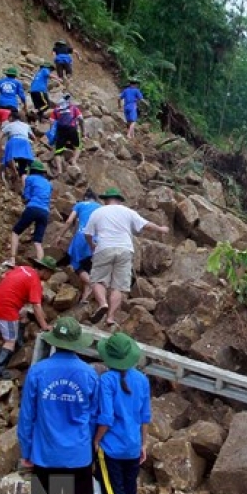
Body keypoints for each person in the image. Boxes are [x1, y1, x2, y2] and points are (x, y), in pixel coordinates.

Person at [17, 317, 98, 494]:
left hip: (45, 451)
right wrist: (90, 446)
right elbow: (94, 416)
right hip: (77, 452)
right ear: (77, 343)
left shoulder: (38, 371)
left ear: (54, 342)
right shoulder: (88, 374)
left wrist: (26, 450)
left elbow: (27, 415)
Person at [93, 333, 150, 494]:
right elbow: (145, 416)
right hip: (133, 446)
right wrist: (144, 443)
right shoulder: (142, 380)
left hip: (111, 448)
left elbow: (106, 417)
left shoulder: (106, 380)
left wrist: (96, 440)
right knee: (129, 493)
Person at [84, 188, 169, 327]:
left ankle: (103, 303)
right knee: (118, 286)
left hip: (104, 247)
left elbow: (87, 234)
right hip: (125, 249)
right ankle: (110, 317)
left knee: (97, 280)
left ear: (106, 200)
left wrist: (92, 245)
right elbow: (146, 225)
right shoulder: (128, 212)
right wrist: (161, 229)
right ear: (119, 200)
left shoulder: (98, 212)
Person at [0, 258, 56, 381]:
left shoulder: (24, 269)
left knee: (23, 315)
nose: (50, 277)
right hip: (5, 308)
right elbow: (36, 306)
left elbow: (5, 276)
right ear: (45, 271)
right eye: (51, 273)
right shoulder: (35, 281)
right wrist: (44, 325)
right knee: (9, 341)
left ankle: (19, 344)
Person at [4, 160, 53, 267]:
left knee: (16, 232)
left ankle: (12, 260)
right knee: (38, 242)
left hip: (33, 207)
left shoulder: (30, 178)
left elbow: (27, 196)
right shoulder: (49, 184)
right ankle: (41, 268)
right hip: (45, 212)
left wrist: (25, 199)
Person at [58, 188, 101, 304]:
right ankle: (84, 298)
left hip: (82, 236)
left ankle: (92, 284)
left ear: (85, 197)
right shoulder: (100, 207)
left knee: (76, 265)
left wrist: (59, 235)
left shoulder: (80, 205)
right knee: (88, 267)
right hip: (96, 240)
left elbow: (69, 221)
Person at [49, 94, 85, 176]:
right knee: (78, 146)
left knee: (58, 152)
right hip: (72, 129)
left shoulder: (56, 110)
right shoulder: (74, 108)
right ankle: (74, 161)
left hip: (61, 131)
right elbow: (81, 119)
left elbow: (51, 122)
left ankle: (59, 170)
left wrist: (52, 133)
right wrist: (83, 131)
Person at [0, 111, 38, 187]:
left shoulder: (10, 125)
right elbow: (34, 138)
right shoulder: (26, 125)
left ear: (11, 117)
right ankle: (24, 188)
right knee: (23, 171)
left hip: (14, 141)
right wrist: (33, 146)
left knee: (9, 158)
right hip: (25, 143)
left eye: (8, 118)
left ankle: (14, 172)